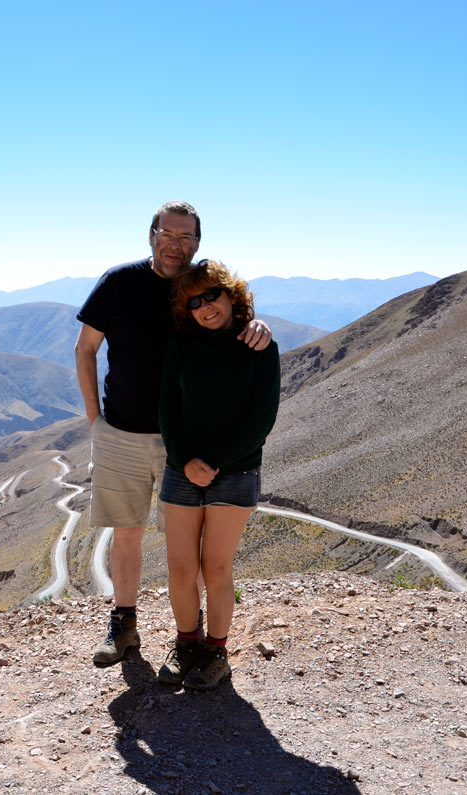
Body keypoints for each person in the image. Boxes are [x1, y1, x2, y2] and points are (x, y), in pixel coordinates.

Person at [74, 201, 272, 667]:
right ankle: (124, 626)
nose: (175, 245)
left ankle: (193, 638)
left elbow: (229, 324)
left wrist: (259, 324)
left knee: (186, 551)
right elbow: (85, 350)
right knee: (127, 534)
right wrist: (93, 421)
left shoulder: (194, 289)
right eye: (168, 234)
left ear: (197, 244)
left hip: (183, 439)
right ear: (151, 235)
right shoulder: (119, 282)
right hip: (121, 431)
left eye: (186, 238)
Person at [155, 259, 280, 689]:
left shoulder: (259, 346)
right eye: (194, 302)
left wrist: (215, 463)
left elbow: (262, 418)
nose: (205, 307)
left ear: (231, 295)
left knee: (217, 568)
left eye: (212, 295)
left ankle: (216, 652)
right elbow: (167, 411)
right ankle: (186, 643)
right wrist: (186, 459)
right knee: (179, 568)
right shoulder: (180, 346)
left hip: (237, 471)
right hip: (181, 470)